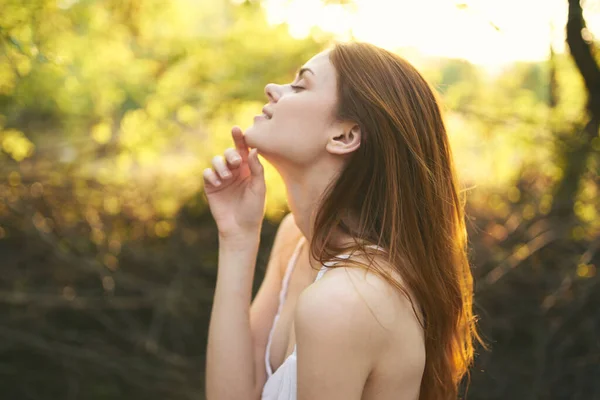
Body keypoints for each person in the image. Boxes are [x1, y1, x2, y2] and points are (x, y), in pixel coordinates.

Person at [204, 42, 481, 400]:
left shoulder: (345, 301)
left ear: (344, 135)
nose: (273, 89)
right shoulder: (297, 242)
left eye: (300, 85)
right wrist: (237, 237)